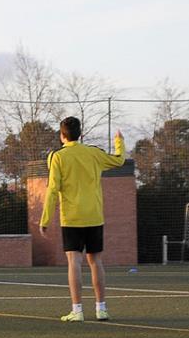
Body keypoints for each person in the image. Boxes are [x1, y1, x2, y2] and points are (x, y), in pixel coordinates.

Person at [39, 117, 126, 322]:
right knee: (96, 261)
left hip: (71, 218)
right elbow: (119, 160)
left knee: (74, 262)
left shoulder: (57, 157)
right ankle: (101, 309)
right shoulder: (93, 153)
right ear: (81, 134)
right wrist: (119, 141)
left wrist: (45, 219)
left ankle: (77, 310)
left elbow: (52, 190)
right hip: (94, 215)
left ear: (62, 136)